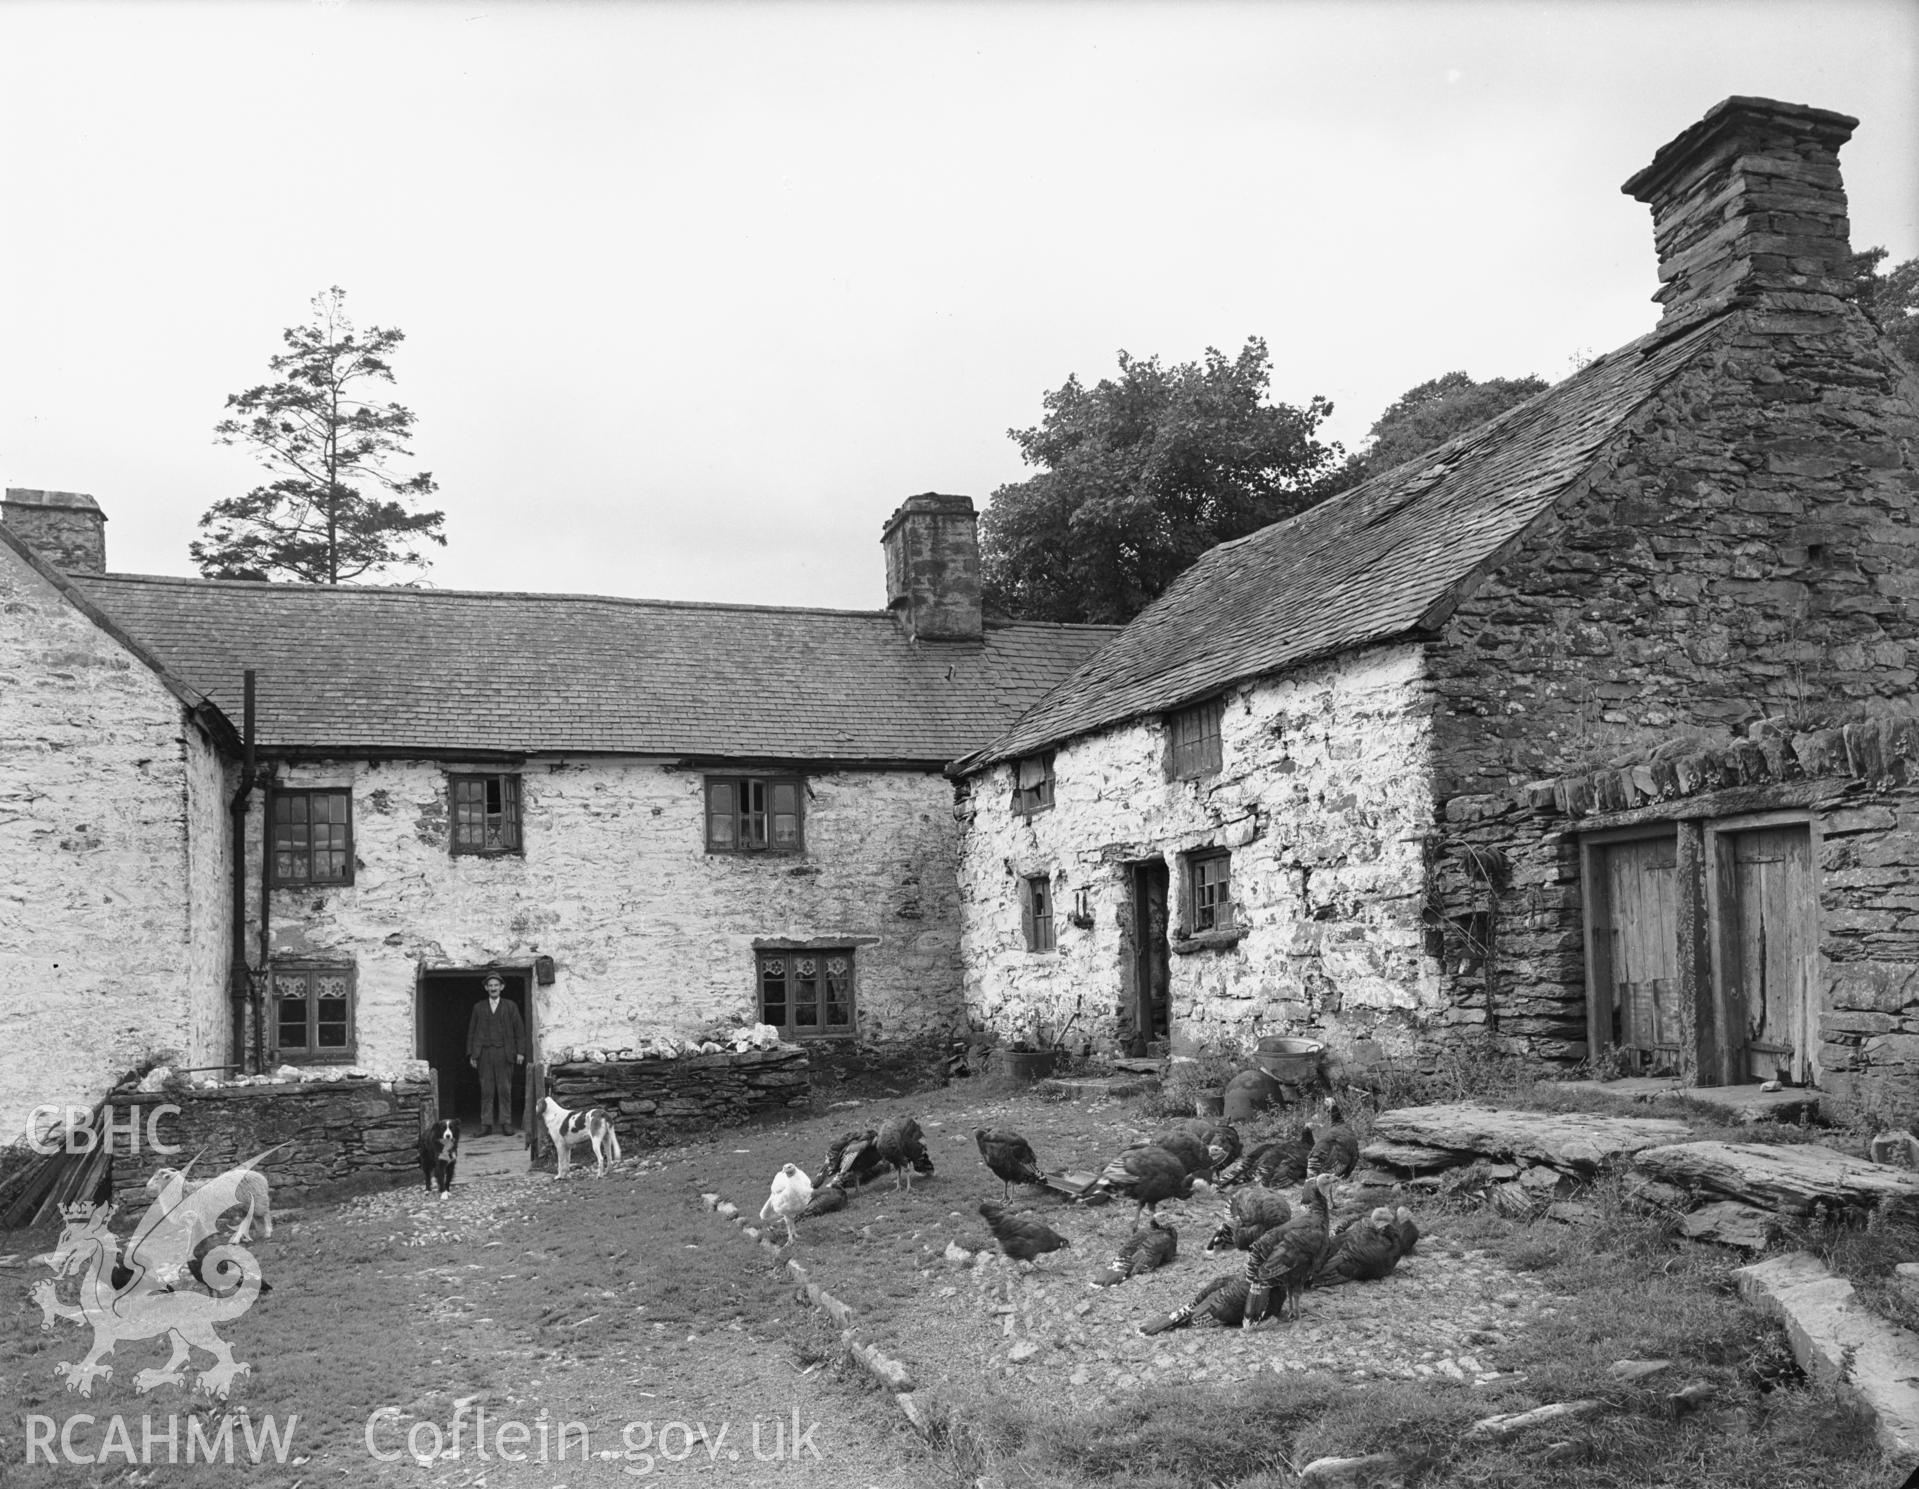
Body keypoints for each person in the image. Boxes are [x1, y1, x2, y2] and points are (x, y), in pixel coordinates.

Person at [466, 974, 526, 1136]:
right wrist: (472, 1054)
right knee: (486, 1090)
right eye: (490, 985)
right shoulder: (479, 1007)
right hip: (484, 1053)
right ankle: (486, 1125)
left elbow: (519, 1030)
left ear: (502, 987)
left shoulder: (510, 1006)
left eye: (496, 985)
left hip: (504, 1053)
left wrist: (520, 1052)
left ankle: (505, 1123)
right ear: (486, 988)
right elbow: (472, 1032)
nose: (493, 988)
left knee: (504, 1089)